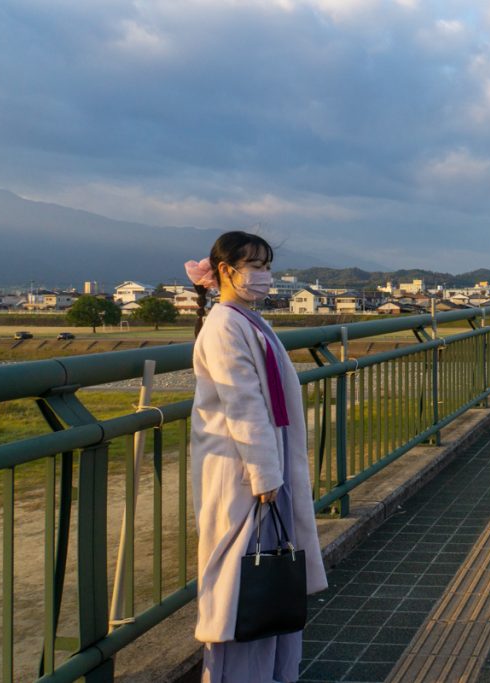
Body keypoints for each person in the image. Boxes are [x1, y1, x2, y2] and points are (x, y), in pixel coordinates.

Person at [185, 231, 327, 682]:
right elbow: (243, 405)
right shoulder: (225, 326)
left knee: (263, 573)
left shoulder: (245, 319)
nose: (264, 276)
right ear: (227, 271)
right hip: (244, 472)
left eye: (267, 266)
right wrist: (266, 475)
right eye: (256, 266)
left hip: (263, 466)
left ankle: (274, 672)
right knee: (241, 581)